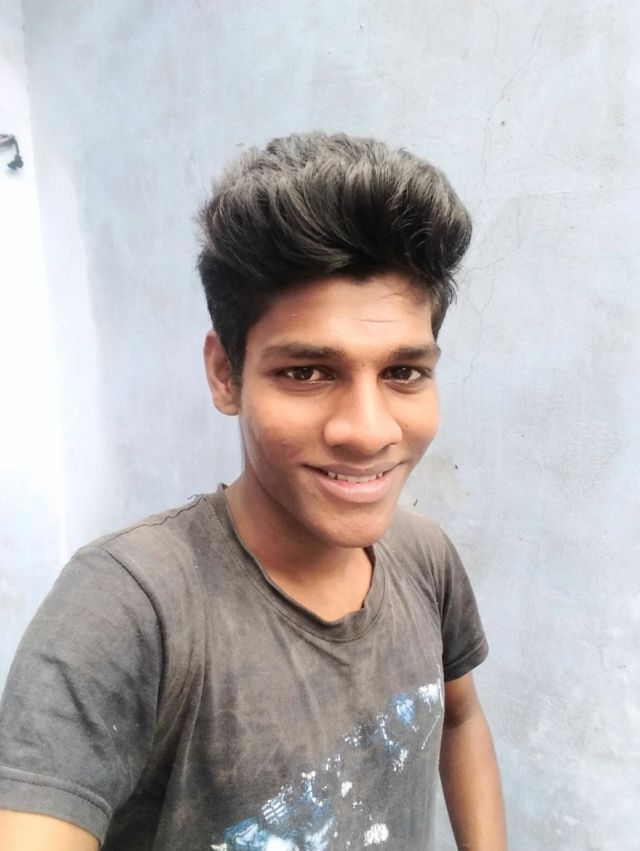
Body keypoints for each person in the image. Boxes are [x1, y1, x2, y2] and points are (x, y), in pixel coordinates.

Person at [0, 132, 507, 850]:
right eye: (307, 372)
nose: (368, 431)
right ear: (225, 374)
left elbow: (459, 717)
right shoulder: (128, 609)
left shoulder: (425, 558)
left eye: (403, 373)